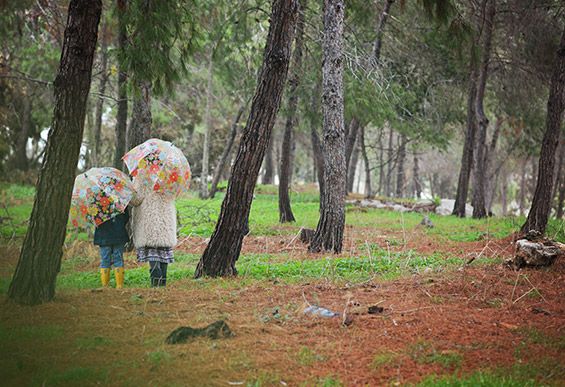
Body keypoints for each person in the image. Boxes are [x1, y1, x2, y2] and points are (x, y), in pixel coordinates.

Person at [131, 182, 177, 287]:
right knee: (163, 254)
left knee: (153, 255)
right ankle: (162, 284)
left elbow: (136, 200)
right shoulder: (168, 177)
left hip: (149, 223)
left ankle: (155, 284)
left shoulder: (144, 178)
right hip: (165, 223)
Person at [93, 210, 130, 289]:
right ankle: (119, 285)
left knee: (105, 259)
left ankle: (105, 285)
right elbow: (126, 216)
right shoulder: (120, 200)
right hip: (118, 234)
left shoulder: (96, 203)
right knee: (118, 258)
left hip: (103, 235)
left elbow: (93, 218)